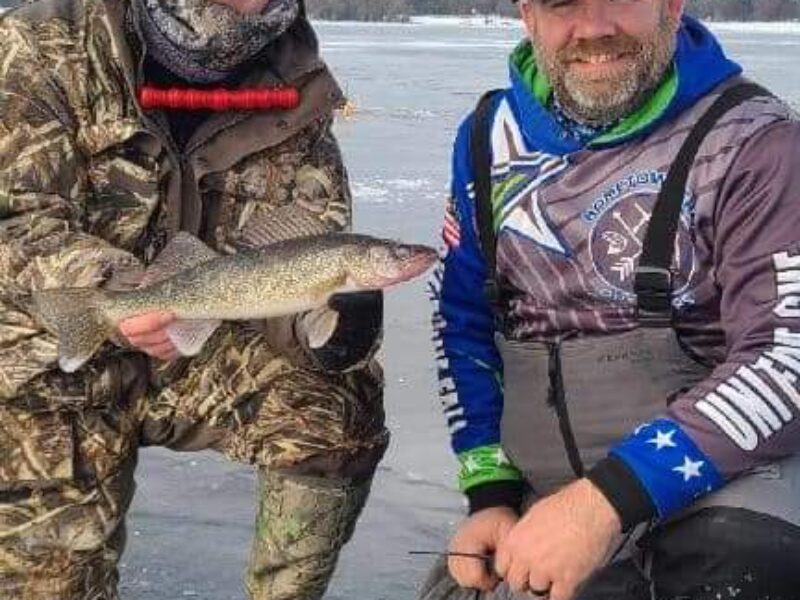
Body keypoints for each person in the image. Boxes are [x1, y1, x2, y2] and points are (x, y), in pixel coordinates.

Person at [0, 0, 386, 598]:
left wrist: (332, 334)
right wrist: (110, 286)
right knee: (50, 582)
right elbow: (14, 220)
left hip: (198, 347)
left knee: (338, 396)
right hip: (49, 356)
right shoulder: (45, 42)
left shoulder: (298, 88)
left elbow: (299, 261)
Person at [420, 0, 800, 599]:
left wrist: (605, 501)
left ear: (672, 5)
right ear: (528, 15)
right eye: (564, 4)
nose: (594, 28)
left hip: (728, 485)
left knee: (744, 564)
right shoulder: (487, 141)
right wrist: (489, 492)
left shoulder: (753, 142)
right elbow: (462, 326)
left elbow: (787, 357)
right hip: (543, 494)